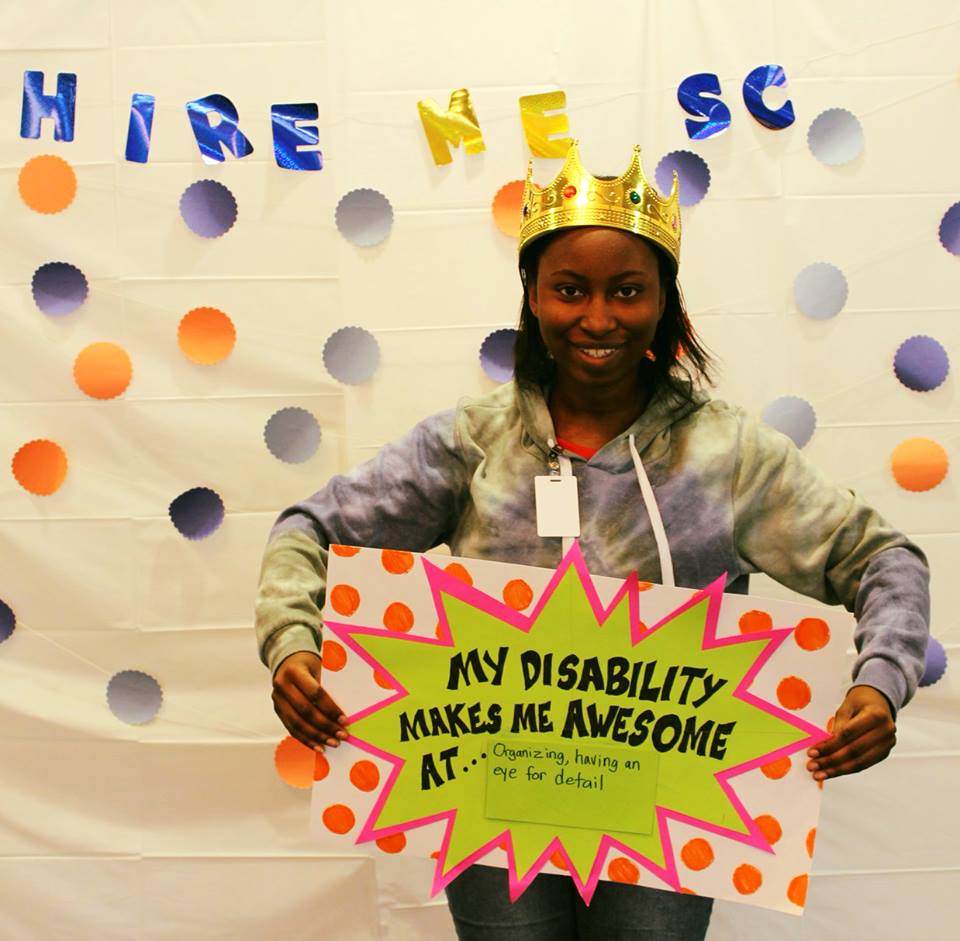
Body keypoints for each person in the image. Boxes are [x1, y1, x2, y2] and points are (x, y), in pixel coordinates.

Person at [255, 142, 930, 940]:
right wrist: (291, 642)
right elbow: (310, 530)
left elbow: (884, 558)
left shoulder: (729, 456)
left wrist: (881, 680)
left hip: (666, 803)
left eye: (628, 291)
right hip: (495, 790)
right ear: (533, 297)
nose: (599, 318)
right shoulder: (474, 442)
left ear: (665, 302)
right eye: (570, 290)